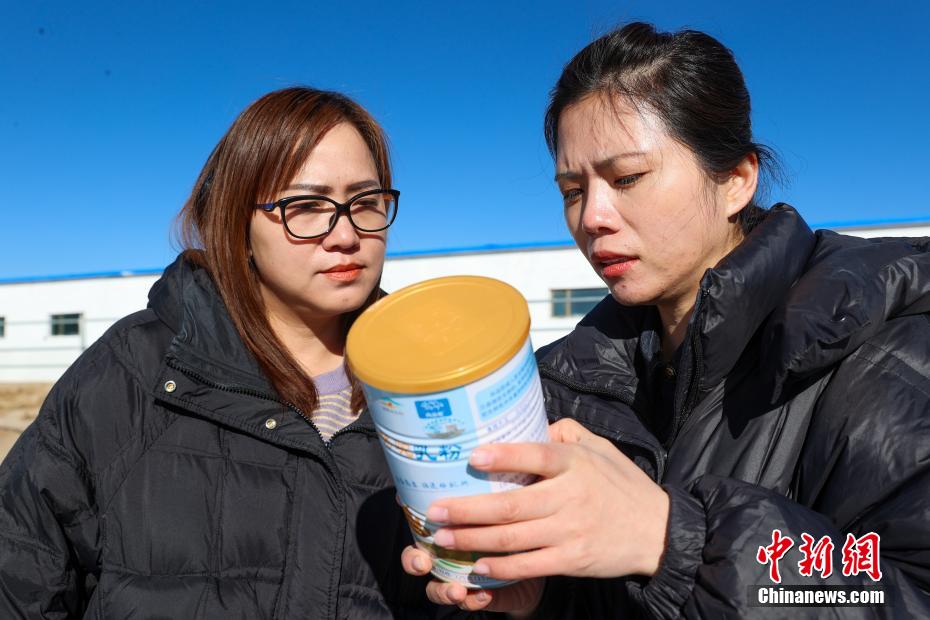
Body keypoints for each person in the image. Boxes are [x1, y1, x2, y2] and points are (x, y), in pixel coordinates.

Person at [402, 22, 930, 617]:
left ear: (735, 180)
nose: (592, 217)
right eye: (572, 190)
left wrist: (670, 540)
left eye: (627, 178)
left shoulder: (889, 354)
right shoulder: (564, 383)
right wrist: (539, 597)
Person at [0, 87, 476, 618]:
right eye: (305, 206)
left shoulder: (434, 384)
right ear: (237, 223)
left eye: (365, 203)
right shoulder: (133, 370)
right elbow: (21, 576)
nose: (345, 235)